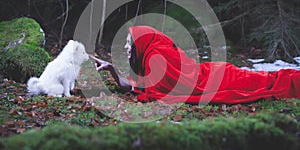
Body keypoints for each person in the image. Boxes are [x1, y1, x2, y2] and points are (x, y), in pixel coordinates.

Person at [92, 25, 300, 104]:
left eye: (130, 44)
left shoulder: (157, 57)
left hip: (220, 79)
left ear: (141, 43)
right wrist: (111, 68)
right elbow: (141, 85)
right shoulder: (154, 54)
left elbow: (154, 91)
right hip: (214, 74)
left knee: (270, 82)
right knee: (267, 80)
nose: (128, 49)